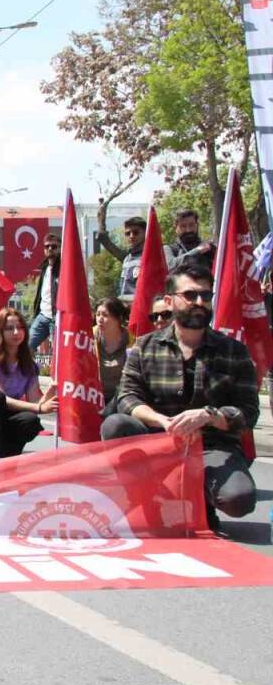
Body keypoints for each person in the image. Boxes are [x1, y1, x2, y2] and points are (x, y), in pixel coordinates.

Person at [102, 264, 258, 529]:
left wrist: (210, 416)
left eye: (206, 296)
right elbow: (127, 397)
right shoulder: (144, 346)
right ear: (169, 300)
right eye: (190, 295)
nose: (199, 302)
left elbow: (248, 412)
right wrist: (163, 422)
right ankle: (148, 498)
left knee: (239, 499)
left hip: (210, 446)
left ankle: (201, 502)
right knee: (115, 425)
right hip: (156, 443)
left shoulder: (234, 351)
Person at [0, 307, 56, 458]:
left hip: (8, 414)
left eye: (20, 327)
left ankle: (8, 458)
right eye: (10, 328)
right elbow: (2, 399)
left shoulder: (28, 364)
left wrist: (49, 394)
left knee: (31, 421)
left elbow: (35, 401)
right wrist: (39, 407)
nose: (17, 332)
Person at [94, 297, 131, 406]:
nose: (100, 319)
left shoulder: (131, 340)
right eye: (98, 314)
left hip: (121, 399)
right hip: (94, 397)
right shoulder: (89, 336)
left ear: (118, 318)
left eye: (105, 315)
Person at [29, 232, 61, 351]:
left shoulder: (64, 268)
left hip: (58, 318)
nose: (50, 249)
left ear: (60, 248)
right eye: (47, 246)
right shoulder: (44, 268)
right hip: (42, 316)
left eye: (54, 246)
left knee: (58, 353)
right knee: (25, 348)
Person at [166, 208, 215, 273]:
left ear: (197, 225)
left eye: (191, 225)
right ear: (175, 228)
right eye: (183, 226)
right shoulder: (169, 249)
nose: (188, 230)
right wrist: (197, 251)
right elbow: (170, 266)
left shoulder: (210, 249)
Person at [116, 216, 147, 302]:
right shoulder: (127, 258)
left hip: (140, 306)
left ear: (145, 233)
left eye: (136, 232)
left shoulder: (149, 256)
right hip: (124, 307)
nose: (131, 236)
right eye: (127, 233)